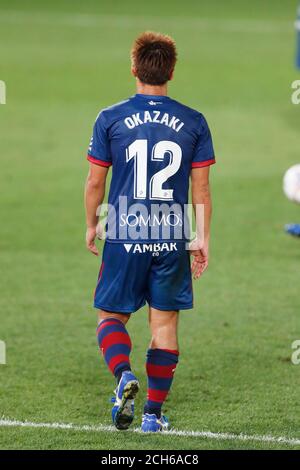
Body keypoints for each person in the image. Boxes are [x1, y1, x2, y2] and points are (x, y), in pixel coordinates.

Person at [84, 31, 215, 432]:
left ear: (133, 67)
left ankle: (123, 375)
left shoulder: (110, 117)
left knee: (111, 316)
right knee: (164, 327)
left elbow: (94, 182)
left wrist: (92, 224)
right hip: (172, 235)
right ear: (171, 70)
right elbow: (201, 187)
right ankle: (153, 417)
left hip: (124, 230)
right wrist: (201, 237)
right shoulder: (193, 121)